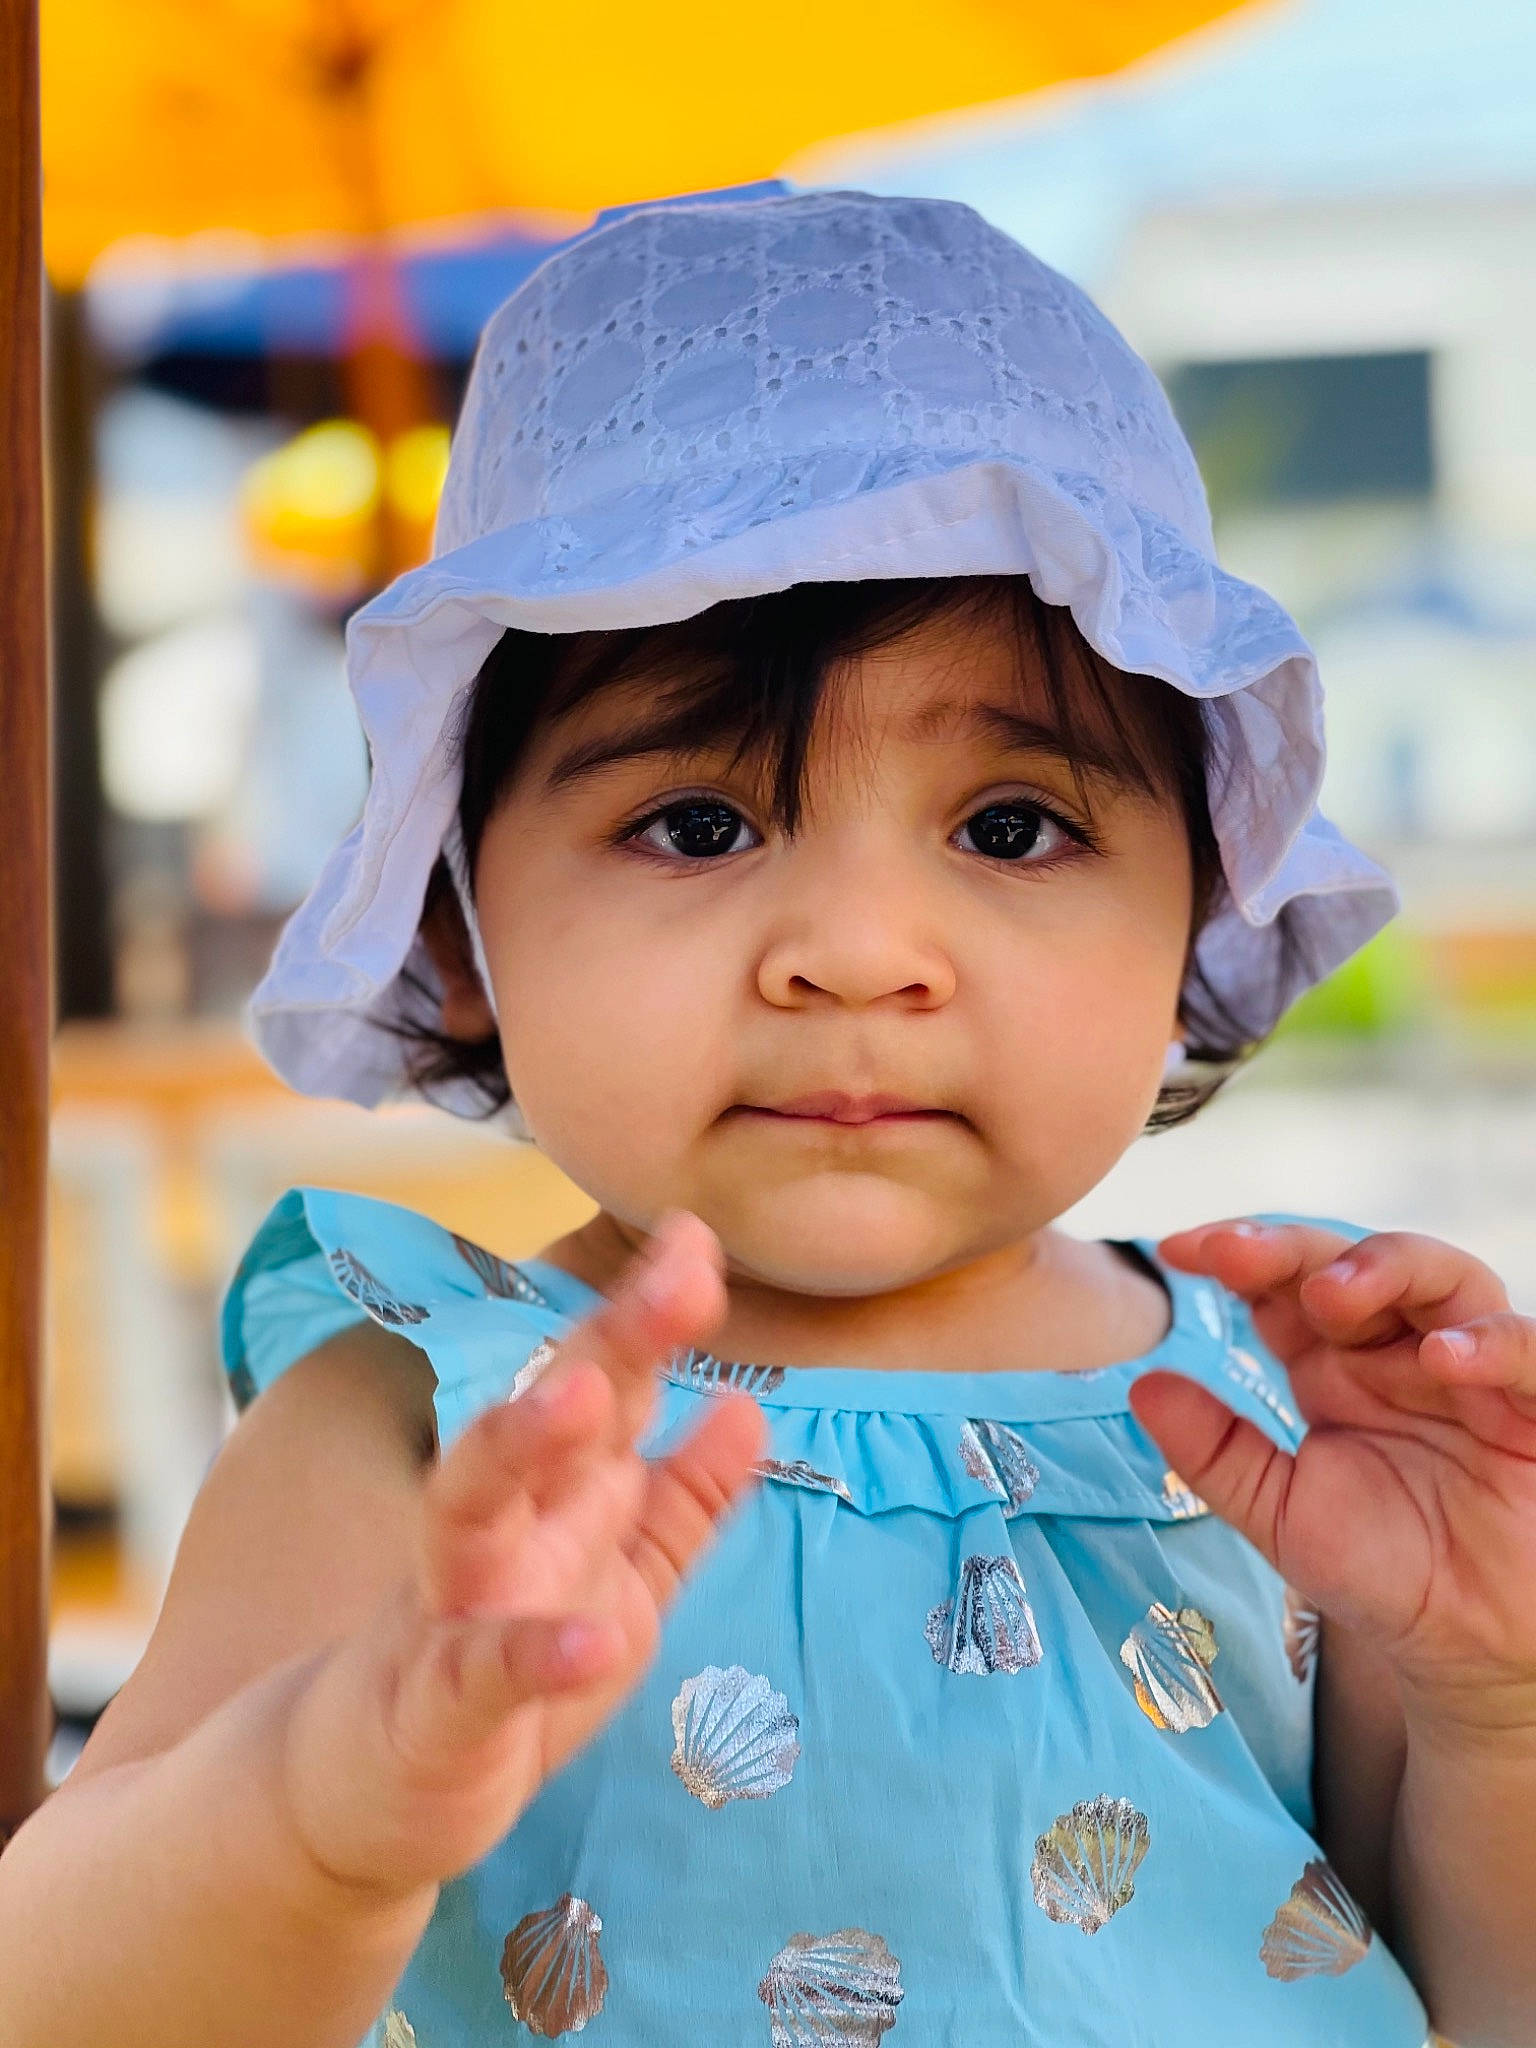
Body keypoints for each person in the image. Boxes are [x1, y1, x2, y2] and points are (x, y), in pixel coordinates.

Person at [2, 190, 1532, 2048]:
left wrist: (1490, 1699)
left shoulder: (1284, 1436)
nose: (859, 954)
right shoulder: (433, 1428)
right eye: (700, 825)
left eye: (1011, 828)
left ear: (1193, 904)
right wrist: (328, 1813)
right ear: (458, 928)